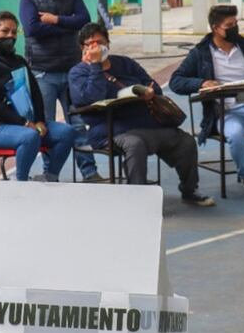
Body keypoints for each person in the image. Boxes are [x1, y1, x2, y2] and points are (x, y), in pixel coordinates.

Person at [68, 23, 215, 207]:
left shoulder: (125, 63)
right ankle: (138, 200)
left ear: (108, 43)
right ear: (83, 48)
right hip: (111, 129)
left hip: (147, 123)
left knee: (185, 141)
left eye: (100, 42)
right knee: (135, 144)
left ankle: (189, 190)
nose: (96, 47)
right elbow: (92, 98)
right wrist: (96, 66)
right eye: (91, 44)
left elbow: (153, 86)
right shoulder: (78, 73)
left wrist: (149, 92)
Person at [170, 5, 244, 197]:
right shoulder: (201, 53)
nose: (235, 28)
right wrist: (201, 83)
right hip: (226, 114)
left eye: (236, 23)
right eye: (229, 25)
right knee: (235, 135)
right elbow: (175, 81)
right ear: (215, 28)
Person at [19, 0, 103, 182]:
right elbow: (32, 29)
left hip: (72, 71)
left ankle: (89, 172)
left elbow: (84, 20)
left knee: (78, 124)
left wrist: (56, 20)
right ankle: (50, 173)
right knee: (46, 127)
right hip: (42, 72)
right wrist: (68, 24)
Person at [0, 11, 75, 182]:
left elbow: (36, 93)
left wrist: (39, 120)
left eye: (13, 32)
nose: (10, 36)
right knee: (30, 137)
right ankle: (21, 183)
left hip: (28, 123)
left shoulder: (19, 61)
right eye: (4, 31)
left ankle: (50, 177)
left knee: (67, 132)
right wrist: (24, 123)